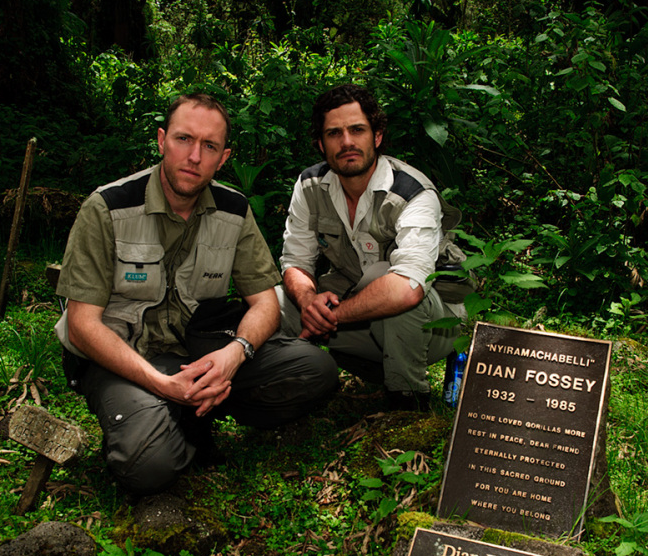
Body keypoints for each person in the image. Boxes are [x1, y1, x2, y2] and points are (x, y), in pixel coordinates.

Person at [54, 93, 338, 495]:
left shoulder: (233, 210)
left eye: (209, 146)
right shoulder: (107, 208)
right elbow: (82, 326)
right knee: (146, 467)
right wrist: (162, 385)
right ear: (161, 140)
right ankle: (174, 415)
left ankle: (194, 406)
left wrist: (234, 354)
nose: (194, 156)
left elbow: (265, 301)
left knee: (317, 371)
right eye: (184, 139)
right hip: (124, 360)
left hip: (199, 352)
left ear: (223, 158)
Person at [278, 84, 472, 410]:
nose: (347, 142)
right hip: (358, 318)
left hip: (433, 325)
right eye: (334, 133)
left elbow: (409, 288)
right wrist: (309, 300)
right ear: (320, 144)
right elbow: (295, 260)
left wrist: (331, 316)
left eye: (357, 130)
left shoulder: (413, 192)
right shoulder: (310, 186)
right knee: (275, 304)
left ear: (377, 136)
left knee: (387, 280)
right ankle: (290, 394)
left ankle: (408, 402)